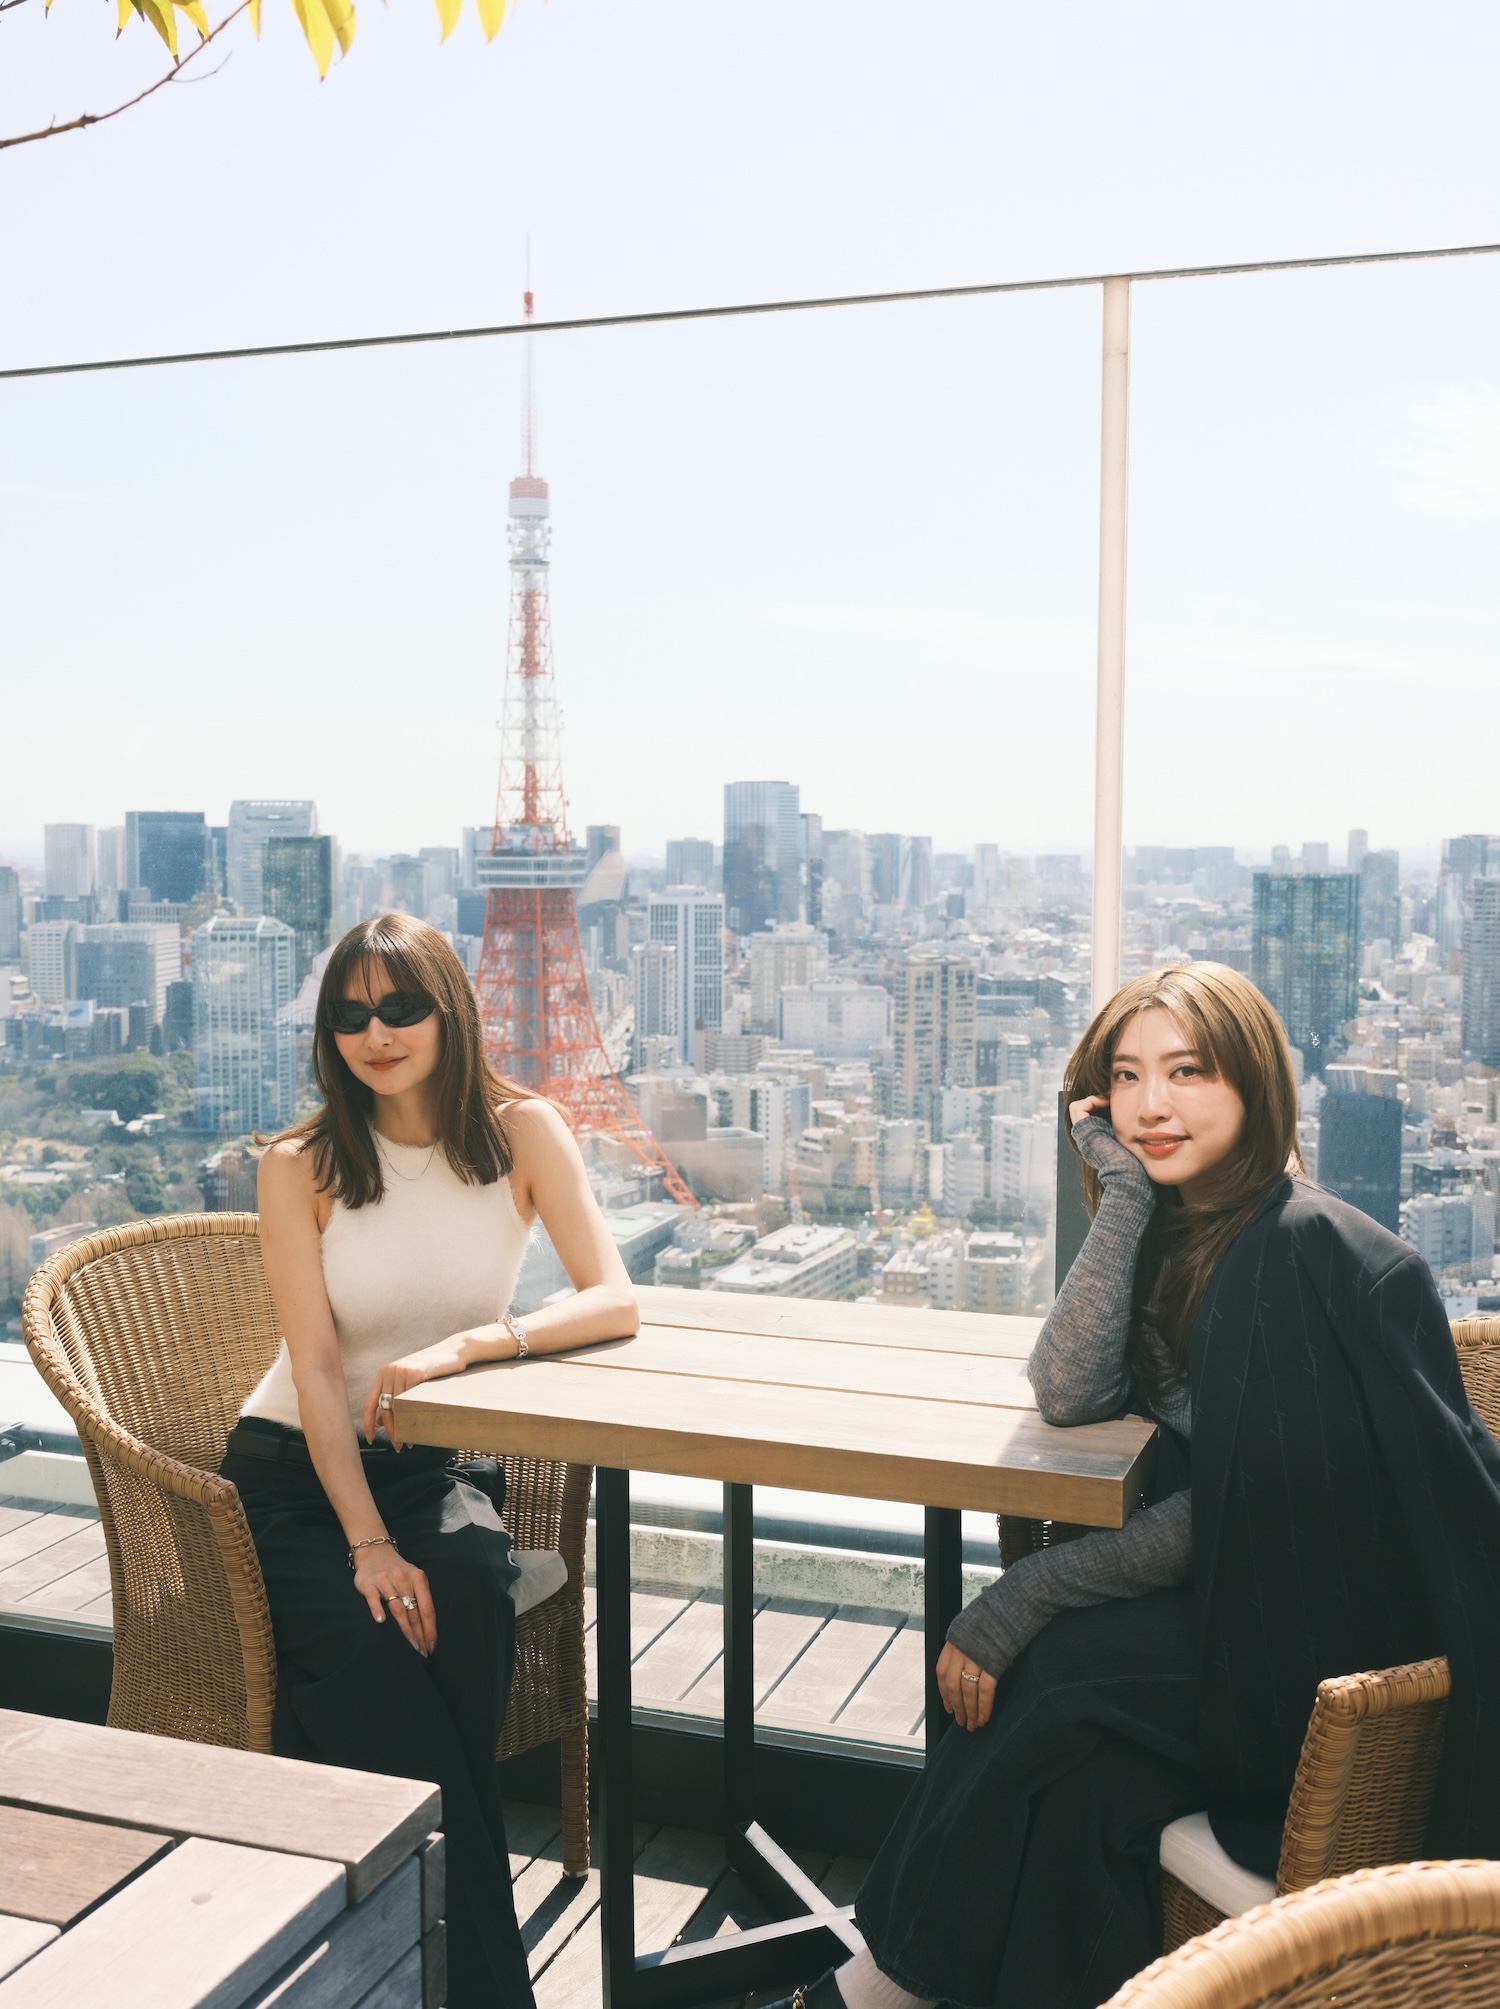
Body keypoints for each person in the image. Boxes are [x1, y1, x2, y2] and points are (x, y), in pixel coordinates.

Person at [772, 961, 1500, 2009]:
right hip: (1245, 1616)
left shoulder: (1297, 1251)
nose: (1151, 1104)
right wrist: (1119, 1193)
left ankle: (845, 2001)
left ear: (1254, 1081)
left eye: (1188, 1070)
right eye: (1126, 1076)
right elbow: (1069, 1388)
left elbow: (1242, 1507)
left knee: (1051, 1675)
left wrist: (1026, 1592)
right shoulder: (1186, 1226)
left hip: (1314, 1667)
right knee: (1082, 1791)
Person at [219, 914, 639, 2009]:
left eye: (402, 1006)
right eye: (351, 1014)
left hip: (429, 1462)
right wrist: (365, 1541)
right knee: (376, 1646)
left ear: (452, 1007)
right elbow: (318, 1370)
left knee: (466, 1596)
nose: (378, 1033)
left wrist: (471, 1346)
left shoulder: (523, 1132)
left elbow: (613, 1297)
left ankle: (387, 1940)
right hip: (292, 1473)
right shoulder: (300, 1164)